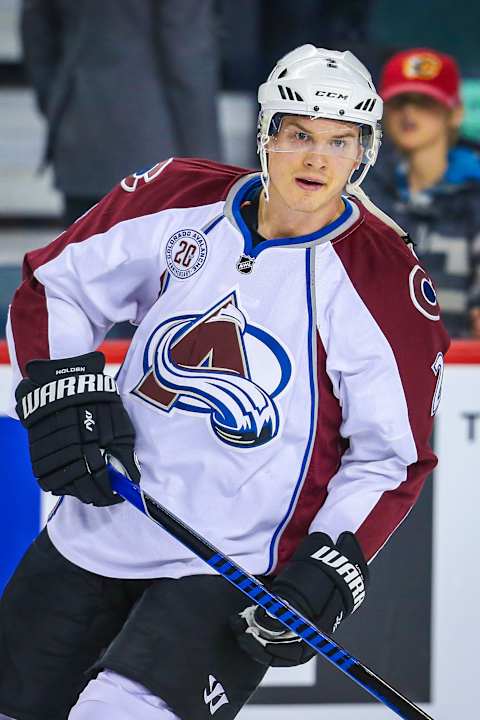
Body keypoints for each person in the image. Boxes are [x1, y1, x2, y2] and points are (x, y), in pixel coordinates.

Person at [0, 44, 449, 720]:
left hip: (233, 565)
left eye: (340, 141)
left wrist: (332, 565)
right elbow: (54, 285)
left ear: (365, 153)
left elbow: (390, 456)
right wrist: (63, 388)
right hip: (99, 525)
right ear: (265, 133)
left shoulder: (385, 284)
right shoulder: (178, 194)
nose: (316, 159)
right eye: (298, 134)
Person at [20, 0, 222, 226]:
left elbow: (36, 30)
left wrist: (57, 99)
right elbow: (186, 53)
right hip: (156, 149)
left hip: (80, 130)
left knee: (82, 254)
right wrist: (208, 165)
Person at [363, 47, 480, 338]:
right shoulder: (361, 194)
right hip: (372, 362)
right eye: (399, 102)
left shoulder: (475, 196)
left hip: (463, 368)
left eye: (425, 102)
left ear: (455, 114)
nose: (409, 113)